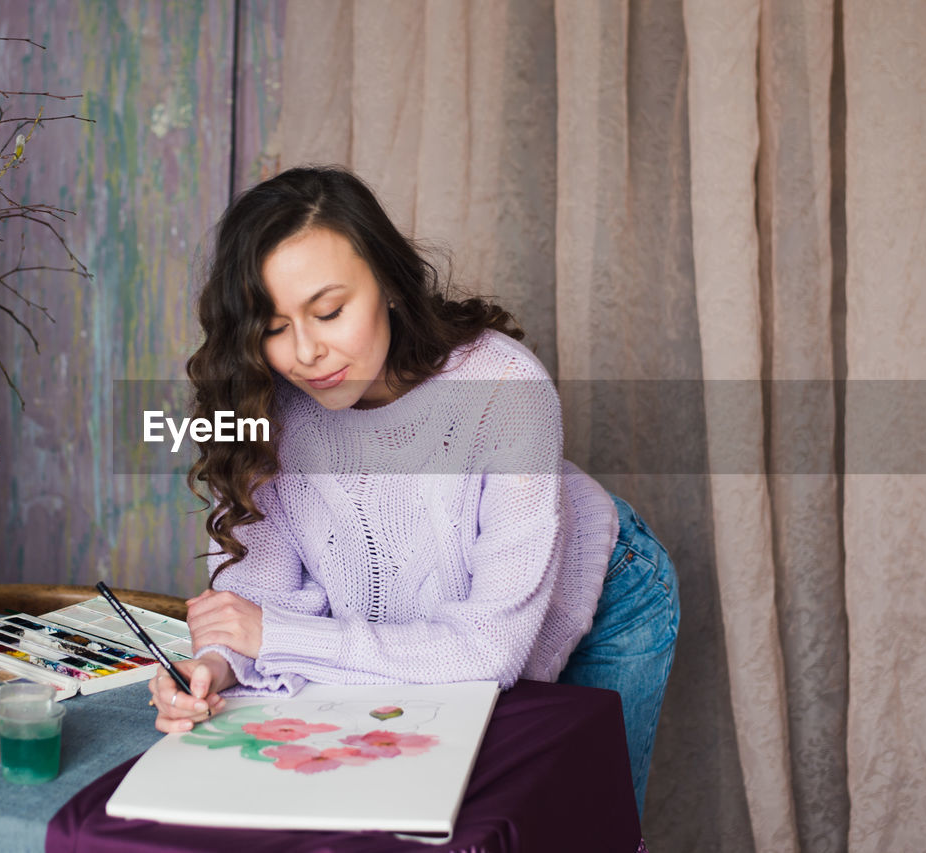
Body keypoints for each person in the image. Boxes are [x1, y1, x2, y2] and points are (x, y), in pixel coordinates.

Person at [147, 166, 679, 816]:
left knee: (576, 825)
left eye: (330, 311)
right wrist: (211, 667)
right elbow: (259, 603)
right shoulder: (264, 407)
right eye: (274, 326)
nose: (307, 351)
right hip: (417, 636)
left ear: (390, 285)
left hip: (598, 594)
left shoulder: (504, 388)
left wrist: (274, 634)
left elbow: (489, 648)